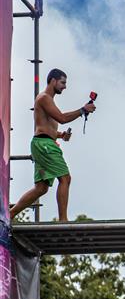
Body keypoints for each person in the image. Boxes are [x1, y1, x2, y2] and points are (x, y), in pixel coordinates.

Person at [9, 69, 96, 222]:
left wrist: (62, 135)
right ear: (53, 81)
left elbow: (47, 129)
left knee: (41, 188)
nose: (65, 87)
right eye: (63, 83)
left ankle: (10, 214)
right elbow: (62, 118)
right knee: (65, 178)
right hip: (45, 146)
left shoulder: (48, 101)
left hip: (42, 144)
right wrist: (82, 110)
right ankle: (63, 220)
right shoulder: (44, 98)